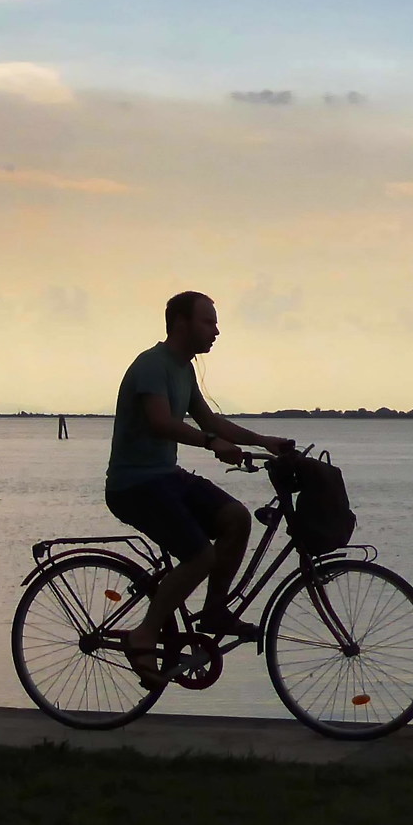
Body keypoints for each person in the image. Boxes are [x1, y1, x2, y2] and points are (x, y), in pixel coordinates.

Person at [104, 290, 294, 686]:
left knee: (236, 518)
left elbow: (211, 421)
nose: (216, 330)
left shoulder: (184, 370)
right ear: (180, 323)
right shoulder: (152, 365)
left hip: (165, 476)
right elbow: (160, 422)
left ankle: (213, 612)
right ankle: (143, 636)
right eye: (208, 322)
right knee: (199, 557)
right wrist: (210, 444)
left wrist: (263, 441)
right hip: (133, 484)